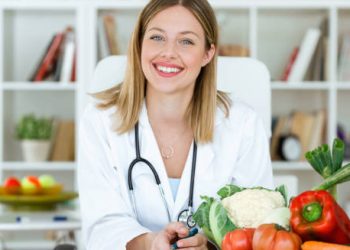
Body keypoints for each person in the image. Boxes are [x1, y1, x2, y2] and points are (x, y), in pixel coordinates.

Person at [78, 0, 273, 249]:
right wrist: (150, 242)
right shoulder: (100, 119)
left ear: (208, 53)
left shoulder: (243, 124)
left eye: (186, 41)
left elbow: (258, 225)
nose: (168, 52)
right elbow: (101, 224)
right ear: (139, 45)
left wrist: (210, 244)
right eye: (157, 37)